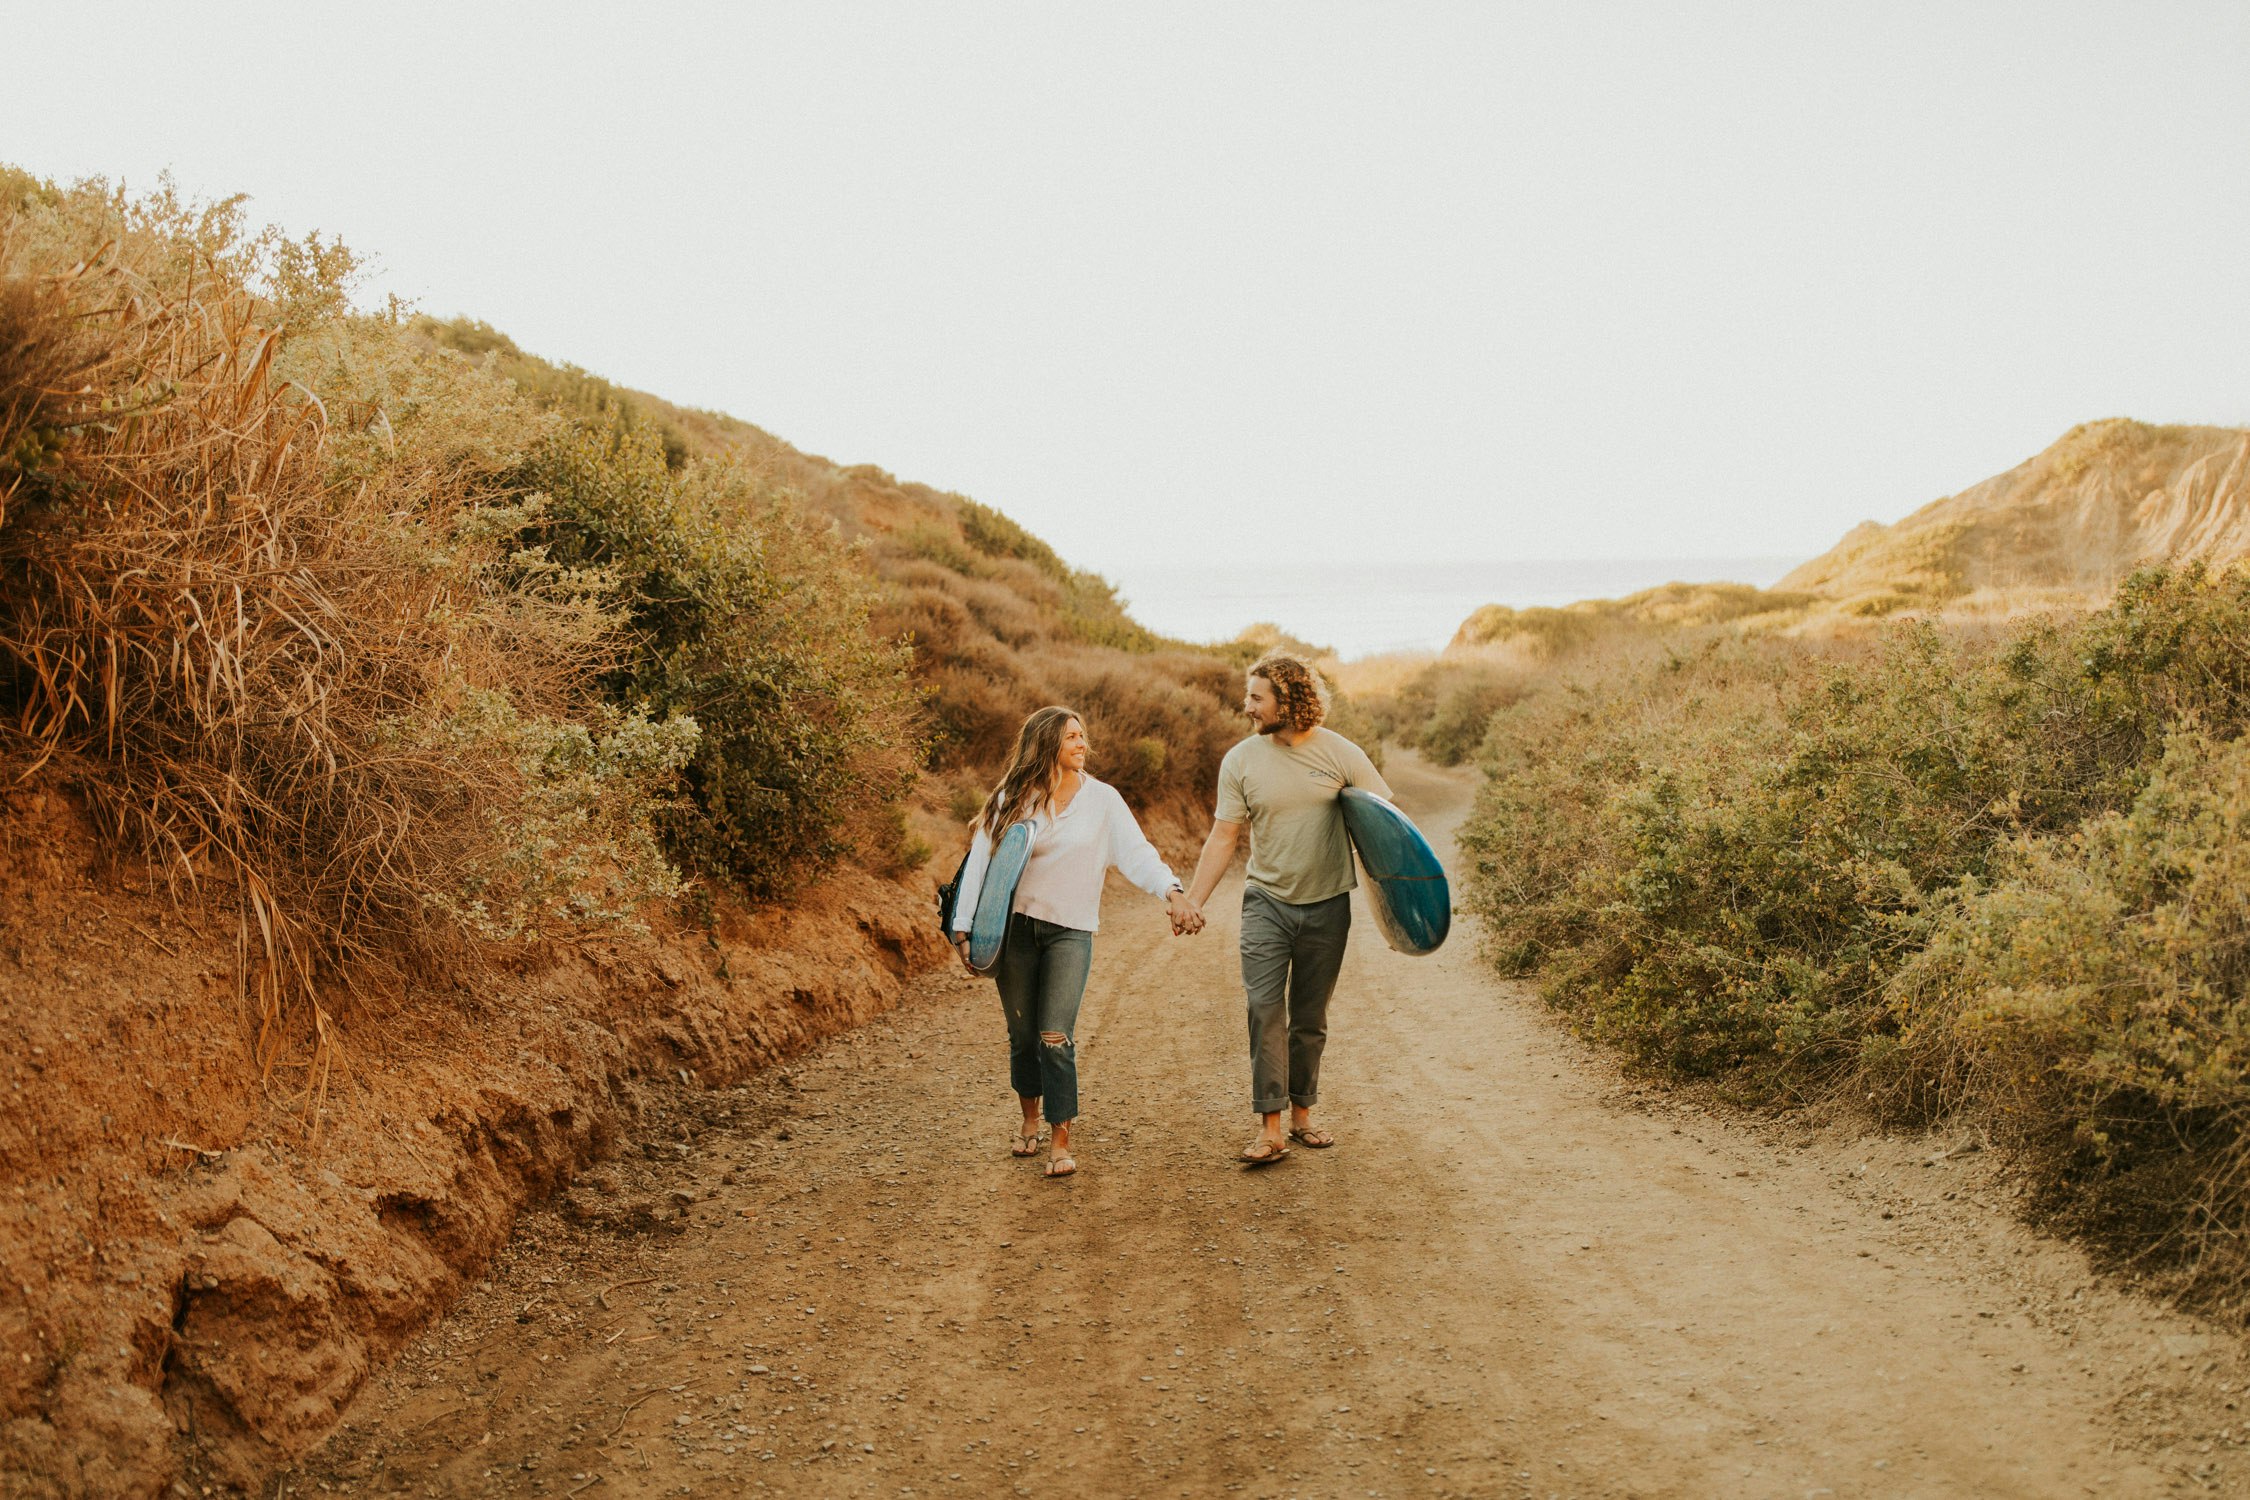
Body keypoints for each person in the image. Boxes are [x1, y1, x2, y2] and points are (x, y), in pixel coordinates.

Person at [952, 705, 1203, 1178]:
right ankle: (1029, 1118)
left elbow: (1137, 854)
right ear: (1047, 743)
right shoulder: (1012, 797)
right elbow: (980, 862)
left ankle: (1059, 1137)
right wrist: (963, 928)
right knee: (1023, 1035)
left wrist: (1172, 893)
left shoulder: (1104, 800)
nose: (1083, 744)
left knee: (1055, 1034)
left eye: (1083, 736)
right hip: (1016, 931)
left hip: (1071, 931)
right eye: (1072, 737)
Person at [1180, 653, 1391, 1164]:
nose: (1246, 706)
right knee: (1264, 1009)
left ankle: (1303, 1116)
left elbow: (1385, 823)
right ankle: (1270, 1127)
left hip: (1327, 906)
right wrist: (1193, 899)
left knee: (1310, 1017)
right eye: (1248, 695)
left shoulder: (1340, 753)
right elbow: (1224, 836)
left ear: (1289, 700)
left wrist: (1401, 902)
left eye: (1257, 697)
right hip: (1267, 903)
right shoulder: (1241, 760)